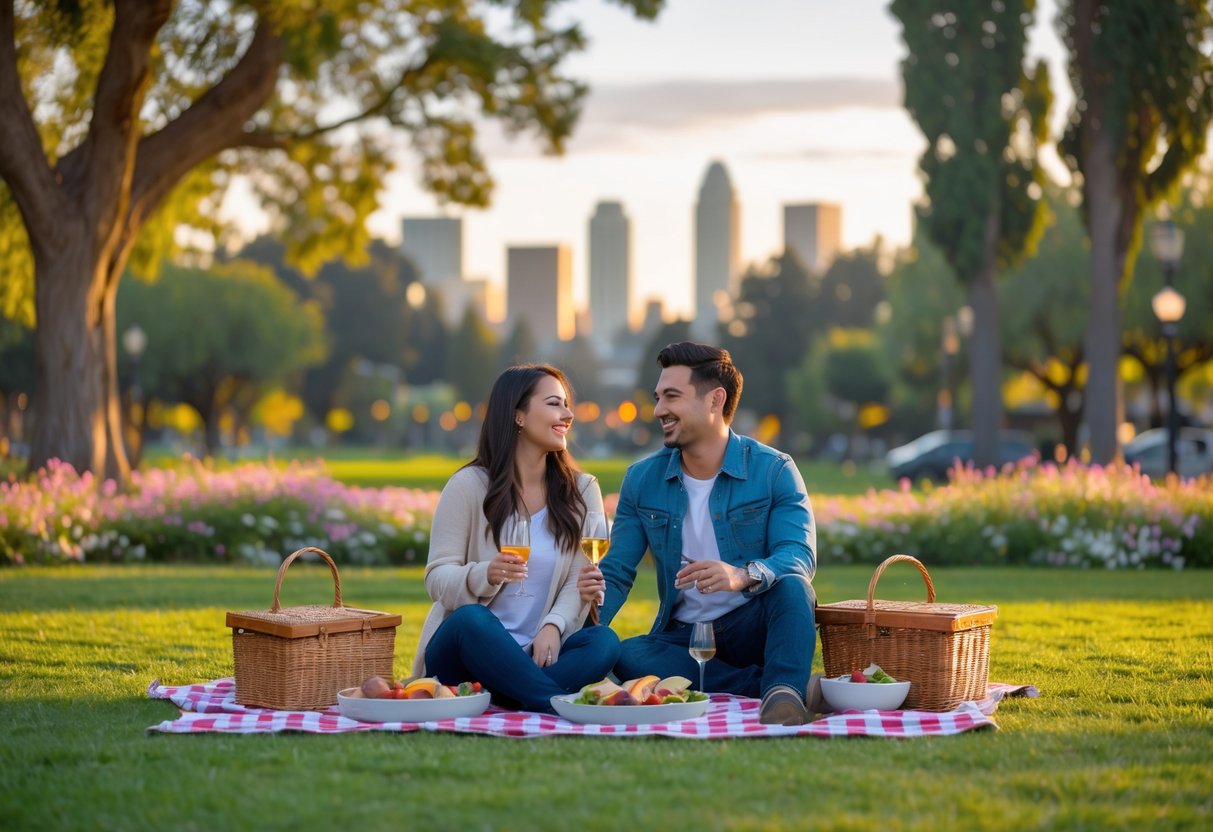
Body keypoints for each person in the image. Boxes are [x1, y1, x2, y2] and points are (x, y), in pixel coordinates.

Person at [591, 342, 820, 725]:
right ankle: (780, 688)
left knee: (795, 587)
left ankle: (780, 694)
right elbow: (615, 573)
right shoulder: (642, 479)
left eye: (672, 396)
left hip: (753, 624)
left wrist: (741, 574)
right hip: (685, 636)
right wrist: (582, 636)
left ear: (716, 400)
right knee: (623, 654)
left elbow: (798, 554)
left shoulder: (774, 470)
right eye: (658, 397)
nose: (659, 409)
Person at [413, 364, 620, 712]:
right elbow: (436, 578)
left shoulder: (583, 491)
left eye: (567, 404)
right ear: (519, 416)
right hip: (465, 654)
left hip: (541, 653)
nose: (568, 414)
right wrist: (485, 574)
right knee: (470, 619)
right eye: (554, 404)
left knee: (604, 642)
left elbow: (577, 580)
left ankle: (515, 694)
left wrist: (554, 626)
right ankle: (556, 703)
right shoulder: (468, 486)